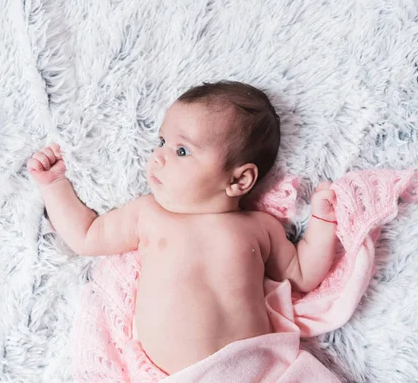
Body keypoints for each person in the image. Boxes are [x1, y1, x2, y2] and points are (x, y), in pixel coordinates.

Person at [27, 81, 338, 375]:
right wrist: (54, 184)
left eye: (182, 151)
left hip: (258, 371)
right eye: (162, 141)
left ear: (239, 180)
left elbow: (303, 274)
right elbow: (87, 235)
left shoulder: (260, 227)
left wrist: (323, 222)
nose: (158, 157)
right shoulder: (149, 214)